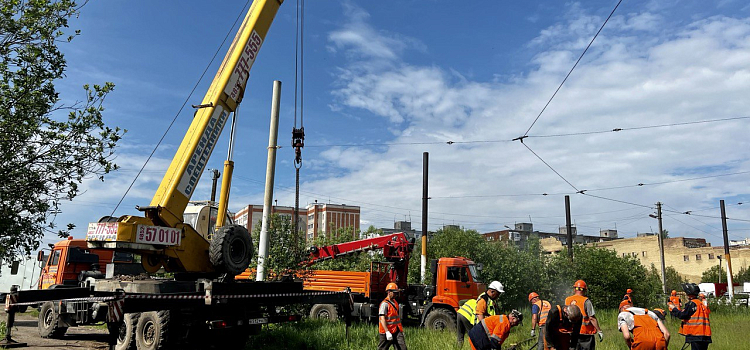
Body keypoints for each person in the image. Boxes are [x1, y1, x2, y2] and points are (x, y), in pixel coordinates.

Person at [457, 281, 504, 347]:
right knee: (474, 337)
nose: (498, 296)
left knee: (460, 337)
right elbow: (480, 314)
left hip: (461, 313)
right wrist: (483, 329)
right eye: (498, 293)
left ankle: (458, 348)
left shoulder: (488, 299)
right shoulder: (484, 299)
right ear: (492, 291)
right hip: (466, 316)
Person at [669, 283, 711, 350]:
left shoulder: (692, 303)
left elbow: (682, 315)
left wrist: (674, 309)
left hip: (696, 335)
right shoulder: (701, 303)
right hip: (705, 335)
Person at [565, 280, 604, 350]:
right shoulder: (586, 301)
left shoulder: (567, 300)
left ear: (574, 289)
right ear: (585, 290)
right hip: (585, 334)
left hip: (572, 332)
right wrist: (599, 331)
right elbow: (591, 318)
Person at [378, 282, 407, 350]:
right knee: (382, 348)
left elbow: (397, 319)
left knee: (403, 348)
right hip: (386, 332)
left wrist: (401, 330)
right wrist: (387, 332)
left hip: (396, 330)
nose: (396, 294)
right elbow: (382, 319)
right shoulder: (384, 304)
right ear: (389, 292)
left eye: (396, 293)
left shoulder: (395, 302)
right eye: (394, 292)